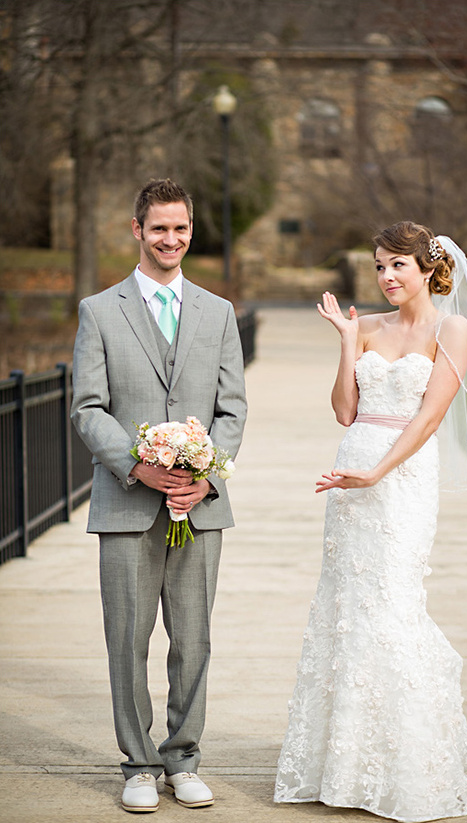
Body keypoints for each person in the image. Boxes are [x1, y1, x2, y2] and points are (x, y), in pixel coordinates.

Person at [274, 221, 467, 822]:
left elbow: (428, 419)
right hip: (349, 475)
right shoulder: (365, 326)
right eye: (378, 266)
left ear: (428, 269)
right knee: (345, 607)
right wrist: (347, 342)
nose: (386, 277)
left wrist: (379, 474)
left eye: (397, 265)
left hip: (403, 479)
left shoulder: (453, 328)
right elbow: (345, 411)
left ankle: (407, 759)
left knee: (393, 602)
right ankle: (341, 761)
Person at [71, 178, 247, 813]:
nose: (170, 239)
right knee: (128, 637)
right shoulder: (100, 310)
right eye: (159, 228)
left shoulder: (218, 312)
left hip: (200, 508)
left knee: (193, 638)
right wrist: (137, 467)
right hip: (125, 504)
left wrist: (206, 475)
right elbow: (87, 408)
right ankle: (138, 765)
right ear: (137, 231)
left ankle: (184, 757)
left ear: (190, 230)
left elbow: (232, 410)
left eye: (181, 228)